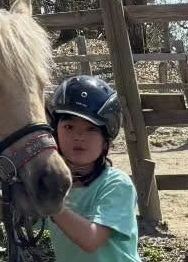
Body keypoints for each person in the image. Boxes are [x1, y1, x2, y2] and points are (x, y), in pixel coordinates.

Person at [46, 74, 139, 262]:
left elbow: (91, 239)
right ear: (55, 132)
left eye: (91, 129)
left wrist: (52, 205)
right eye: (69, 126)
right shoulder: (53, 182)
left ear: (106, 142)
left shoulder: (116, 184)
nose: (79, 136)